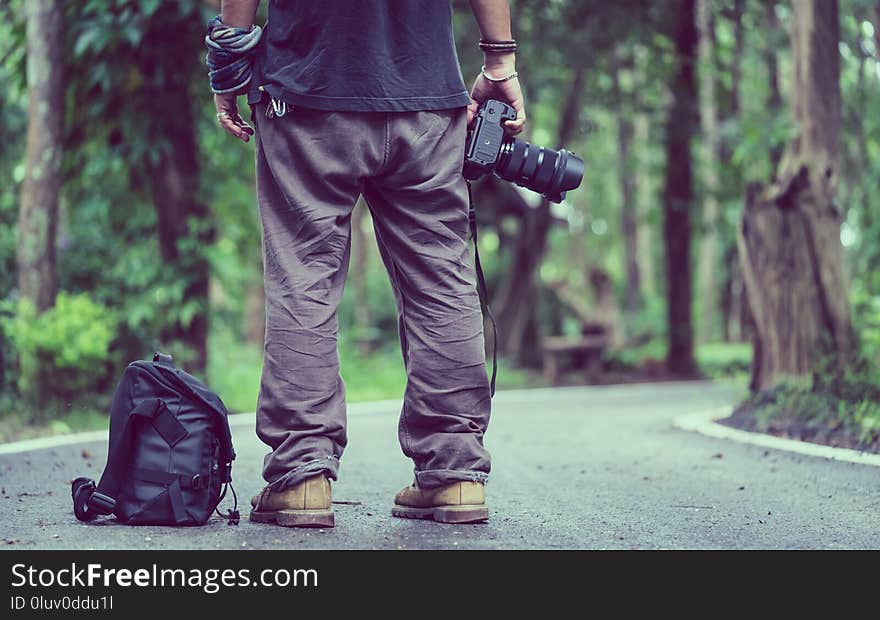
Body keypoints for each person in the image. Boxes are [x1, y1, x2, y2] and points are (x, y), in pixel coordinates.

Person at [211, 0, 526, 527]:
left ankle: (302, 475)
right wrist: (500, 61)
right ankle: (455, 474)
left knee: (303, 277)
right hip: (425, 93)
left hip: (306, 88)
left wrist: (228, 60)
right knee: (441, 280)